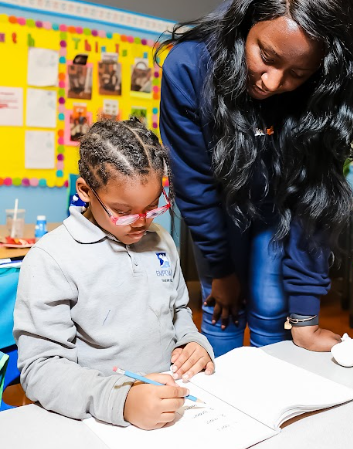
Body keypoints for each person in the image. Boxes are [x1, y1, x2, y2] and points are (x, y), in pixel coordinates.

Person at [158, 0, 353, 357]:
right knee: (223, 308)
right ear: (247, 21)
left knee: (273, 306)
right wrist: (220, 273)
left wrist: (305, 315)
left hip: (281, 207)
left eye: (298, 74)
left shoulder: (328, 95)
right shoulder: (187, 67)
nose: (273, 83)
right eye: (266, 57)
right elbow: (196, 186)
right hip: (215, 207)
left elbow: (315, 199)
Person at [14, 118, 214, 429]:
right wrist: (121, 400)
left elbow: (177, 310)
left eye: (152, 206)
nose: (141, 222)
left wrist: (192, 342)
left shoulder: (161, 240)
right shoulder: (52, 259)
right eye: (123, 211)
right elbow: (40, 369)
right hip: (99, 420)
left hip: (173, 404)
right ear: (85, 191)